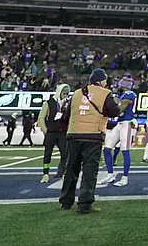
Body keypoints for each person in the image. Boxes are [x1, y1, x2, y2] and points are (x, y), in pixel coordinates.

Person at [59, 68, 120, 213]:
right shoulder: (105, 93)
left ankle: (66, 202)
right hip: (92, 136)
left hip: (73, 135)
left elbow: (66, 116)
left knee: (71, 169)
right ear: (101, 81)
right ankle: (84, 204)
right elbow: (114, 112)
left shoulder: (77, 93)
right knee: (89, 170)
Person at [99, 75, 138, 187]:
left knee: (125, 151)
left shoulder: (129, 94)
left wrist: (110, 109)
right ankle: (110, 175)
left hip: (127, 124)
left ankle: (125, 178)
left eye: (120, 84)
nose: (118, 86)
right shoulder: (123, 95)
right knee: (107, 149)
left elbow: (120, 110)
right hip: (120, 123)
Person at [39, 83, 70, 183]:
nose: (65, 95)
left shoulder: (68, 104)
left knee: (65, 154)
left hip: (62, 133)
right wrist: (46, 131)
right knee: (47, 154)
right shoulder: (49, 103)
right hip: (51, 133)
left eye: (67, 93)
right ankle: (45, 174)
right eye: (64, 93)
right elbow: (41, 118)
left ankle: (64, 172)